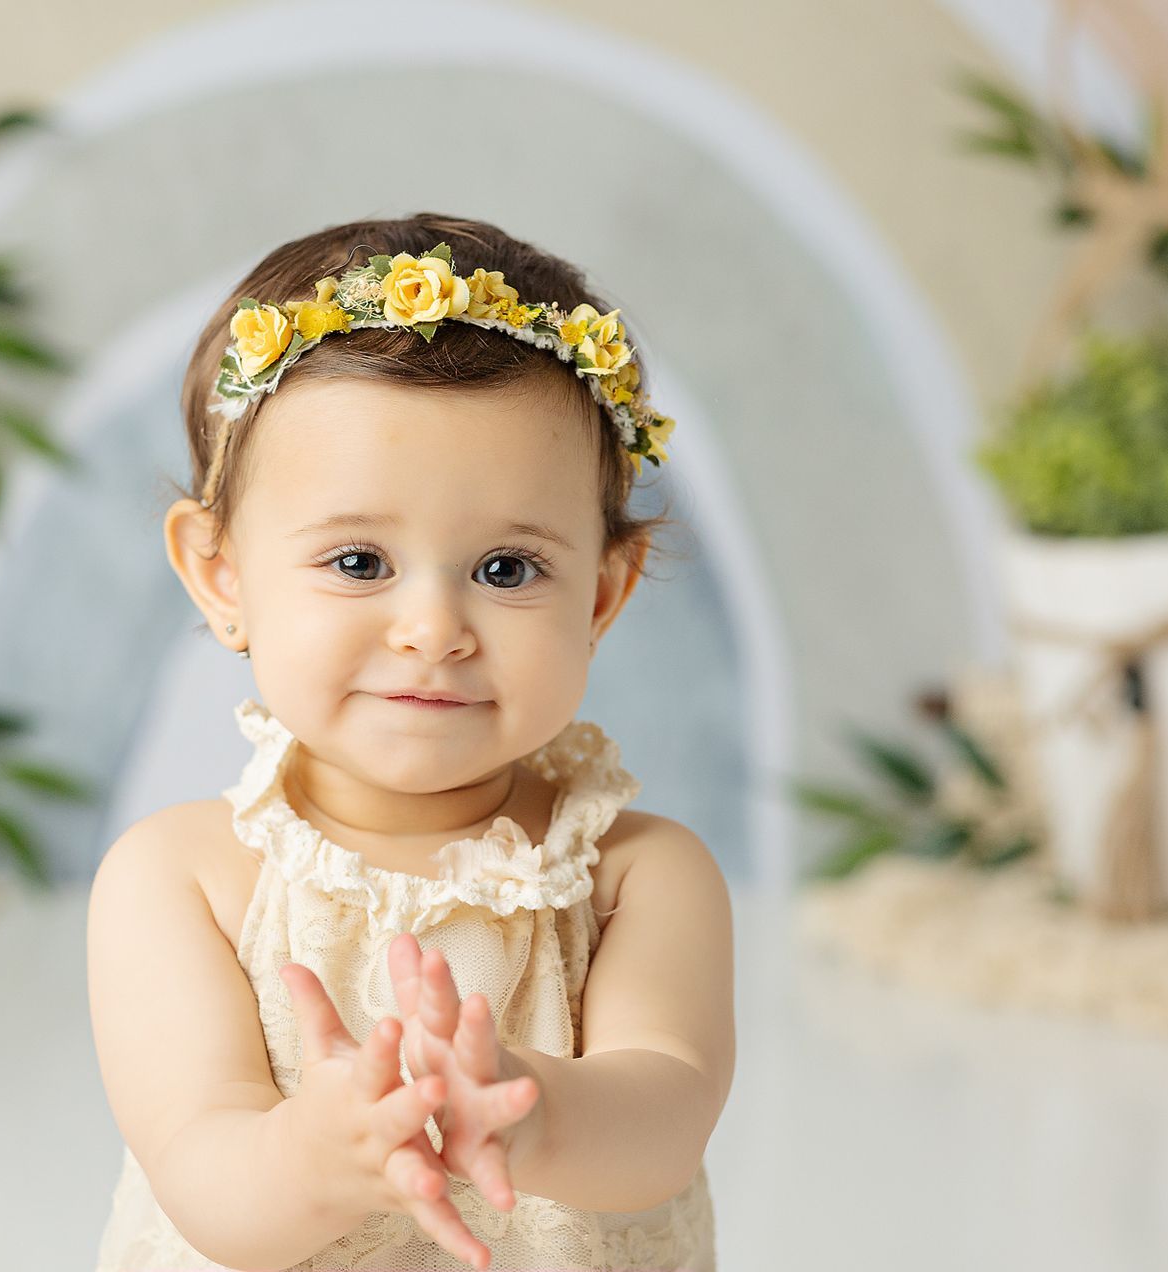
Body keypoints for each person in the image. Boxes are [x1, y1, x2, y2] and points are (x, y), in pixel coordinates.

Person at [88, 212, 734, 1270]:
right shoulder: (179, 879)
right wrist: (314, 1153)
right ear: (222, 575)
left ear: (604, 593)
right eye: (356, 562)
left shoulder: (640, 878)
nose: (432, 629)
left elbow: (670, 1111)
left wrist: (536, 1116)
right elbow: (202, 1170)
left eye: (507, 569)